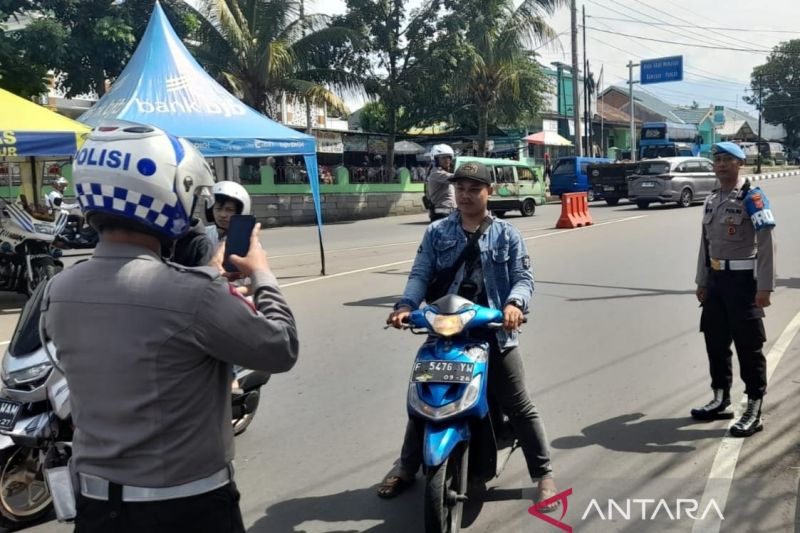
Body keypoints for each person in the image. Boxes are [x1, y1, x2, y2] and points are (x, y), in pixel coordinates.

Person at [42, 122, 299, 532]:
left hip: (96, 509)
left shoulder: (59, 288)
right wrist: (263, 274)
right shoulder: (194, 295)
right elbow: (281, 347)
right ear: (170, 193)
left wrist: (209, 279)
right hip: (187, 510)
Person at [378, 161, 559, 511]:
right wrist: (405, 304)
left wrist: (514, 305)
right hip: (445, 330)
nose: (465, 195)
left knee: (518, 403)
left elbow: (524, 277)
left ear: (489, 192)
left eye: (474, 189)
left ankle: (544, 475)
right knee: (424, 402)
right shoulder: (437, 233)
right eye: (460, 188)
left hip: (492, 329)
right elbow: (420, 273)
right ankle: (405, 467)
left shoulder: (507, 234)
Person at [692, 142, 776, 438]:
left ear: (740, 163)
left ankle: (753, 407)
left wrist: (765, 286)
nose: (722, 164)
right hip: (716, 282)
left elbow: (765, 243)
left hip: (743, 285)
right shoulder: (713, 199)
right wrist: (702, 280)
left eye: (728, 160)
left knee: (749, 347)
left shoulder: (752, 197)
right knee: (715, 341)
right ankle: (721, 397)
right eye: (717, 159)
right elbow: (706, 243)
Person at [205, 181, 252, 251]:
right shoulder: (204, 235)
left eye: (229, 210)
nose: (222, 215)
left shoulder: (247, 241)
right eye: (218, 209)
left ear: (239, 212)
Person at [425, 144, 456, 220]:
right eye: (443, 158)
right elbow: (455, 177)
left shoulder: (445, 172)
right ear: (436, 160)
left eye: (448, 157)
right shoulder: (437, 173)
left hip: (450, 213)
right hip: (442, 214)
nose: (447, 160)